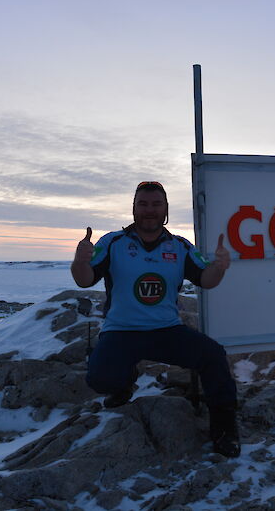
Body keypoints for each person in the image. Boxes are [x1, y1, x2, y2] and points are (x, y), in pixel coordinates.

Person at [70, 181, 240, 458]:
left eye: (156, 204)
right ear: (134, 208)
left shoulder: (180, 247)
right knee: (100, 379)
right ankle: (124, 381)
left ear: (166, 210)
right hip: (121, 331)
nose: (150, 210)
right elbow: (85, 280)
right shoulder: (113, 242)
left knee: (213, 355)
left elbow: (206, 281)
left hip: (167, 331)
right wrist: (79, 261)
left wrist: (220, 268)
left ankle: (224, 427)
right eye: (143, 204)